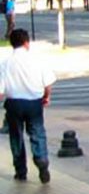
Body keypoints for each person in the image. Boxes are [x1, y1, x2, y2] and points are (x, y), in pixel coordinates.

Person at [1, 28, 56, 183]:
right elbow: (48, 83)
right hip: (34, 103)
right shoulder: (37, 60)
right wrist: (46, 96)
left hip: (14, 104)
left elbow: (0, 90)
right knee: (37, 133)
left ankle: (21, 171)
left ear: (12, 44)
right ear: (27, 42)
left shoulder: (5, 63)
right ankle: (41, 161)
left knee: (16, 137)